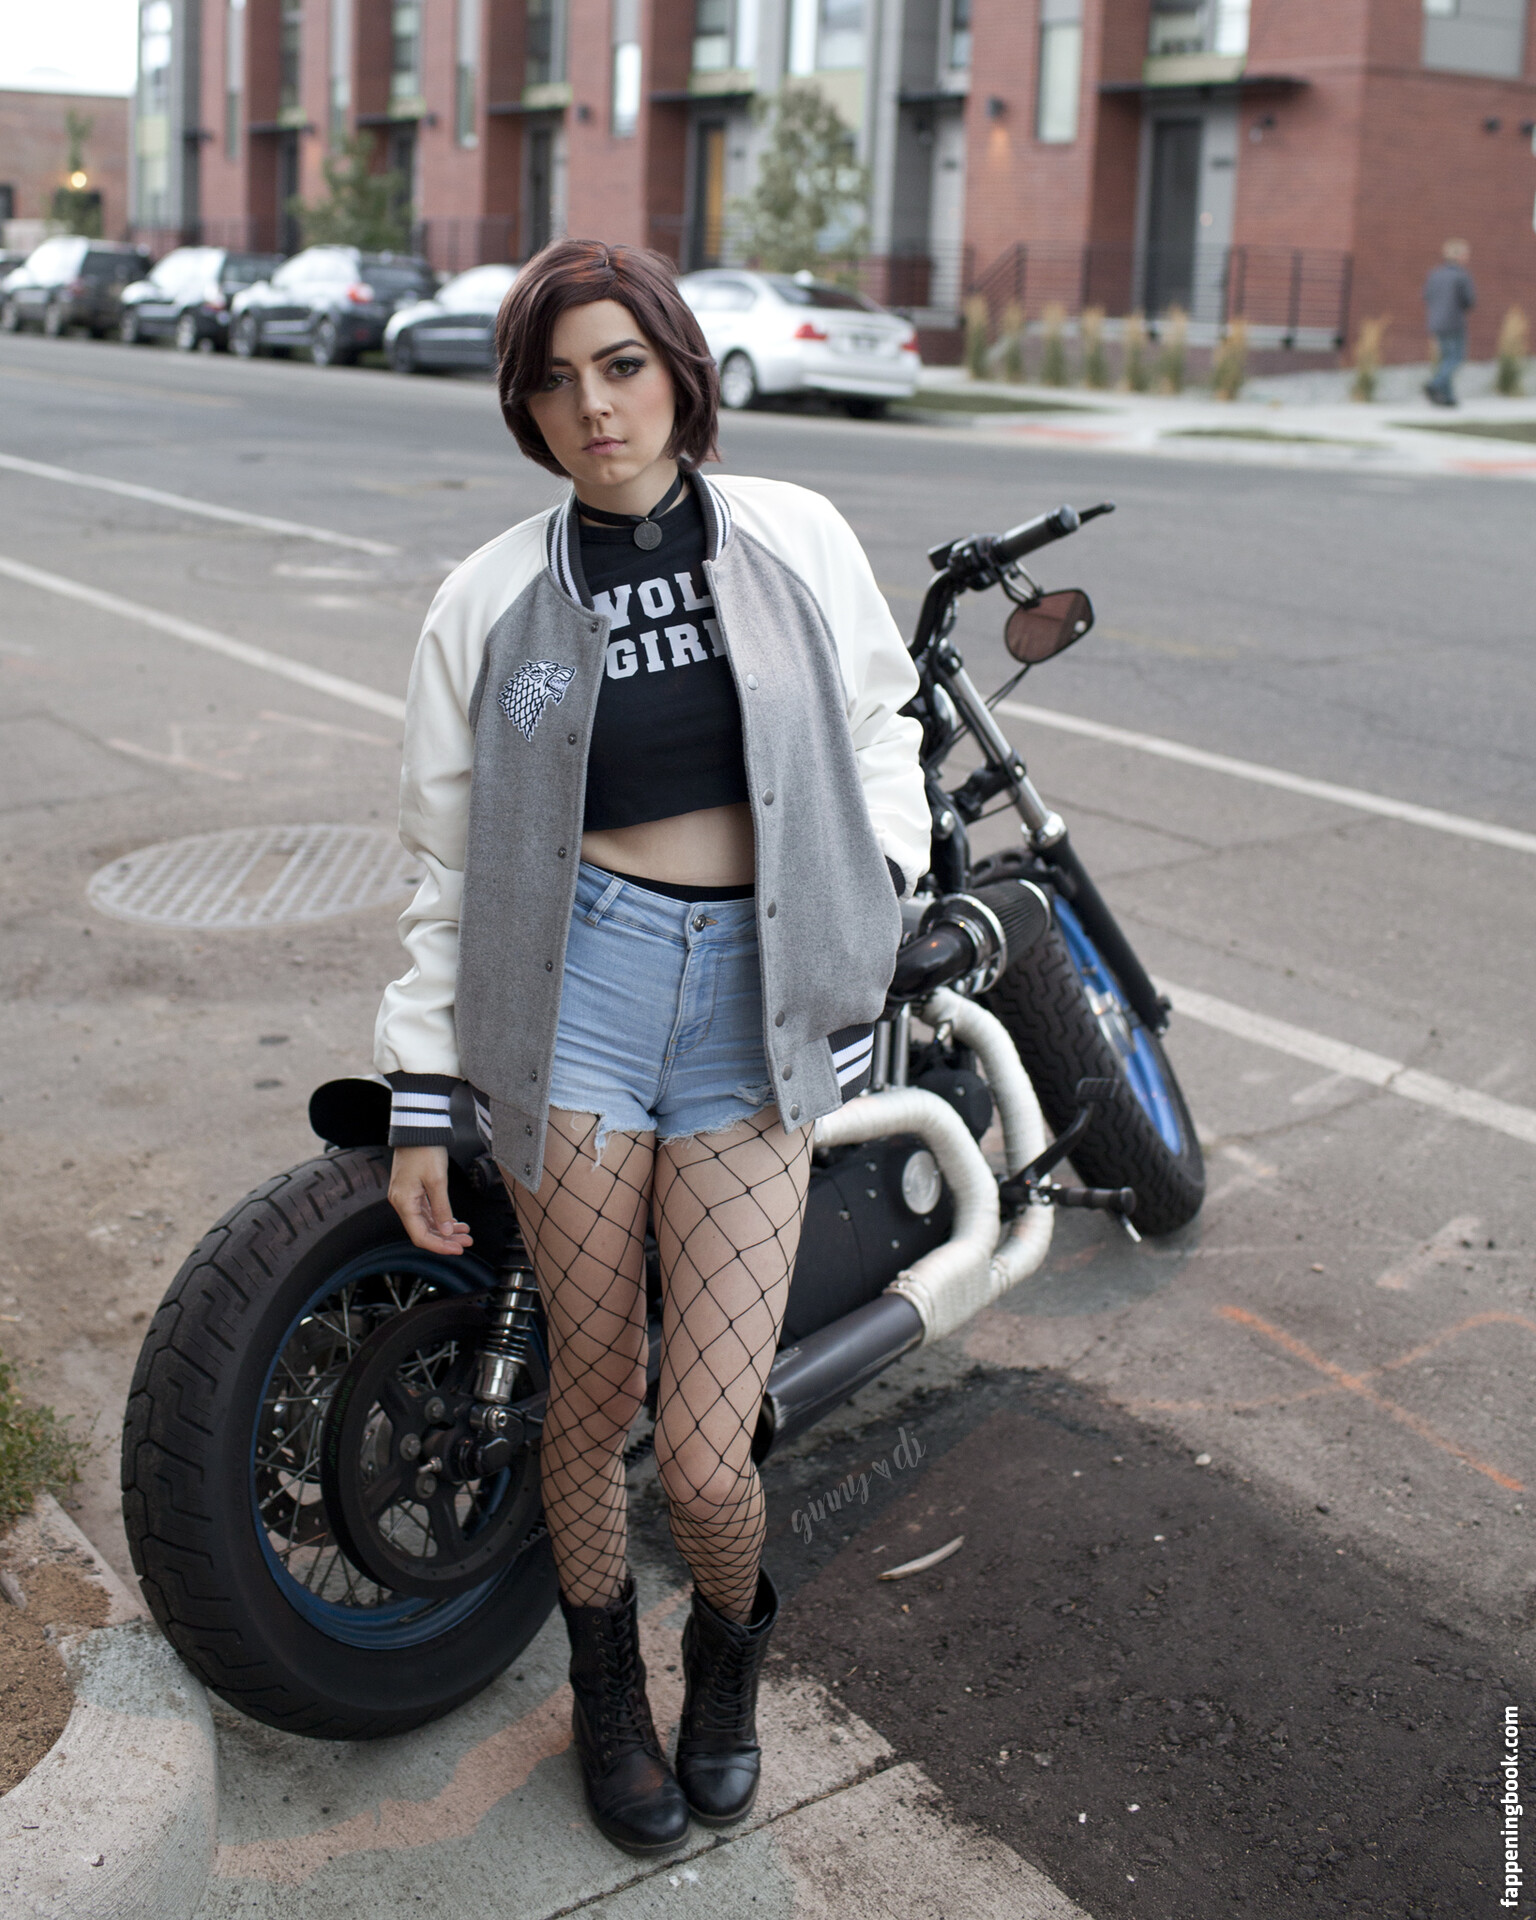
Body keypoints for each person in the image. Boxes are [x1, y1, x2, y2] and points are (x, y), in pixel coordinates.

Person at [375, 239, 928, 1856]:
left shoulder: (795, 539)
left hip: (754, 994)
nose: (593, 407)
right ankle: (608, 1690)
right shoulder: (488, 601)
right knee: (593, 1389)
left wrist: (882, 886)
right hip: (581, 997)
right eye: (554, 381)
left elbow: (881, 726)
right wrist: (421, 1096)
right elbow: (446, 868)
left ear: (680, 371)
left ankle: (729, 1657)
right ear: (525, 409)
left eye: (620, 365)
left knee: (701, 1459)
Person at [1423, 239, 1476, 407]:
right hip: (1454, 322)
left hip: (1436, 322)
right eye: (1465, 254)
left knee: (1446, 359)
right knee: (1456, 358)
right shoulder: (1461, 276)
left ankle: (1447, 398)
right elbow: (1469, 301)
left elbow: (1426, 295)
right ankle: (1435, 384)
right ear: (1459, 256)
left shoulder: (1435, 274)